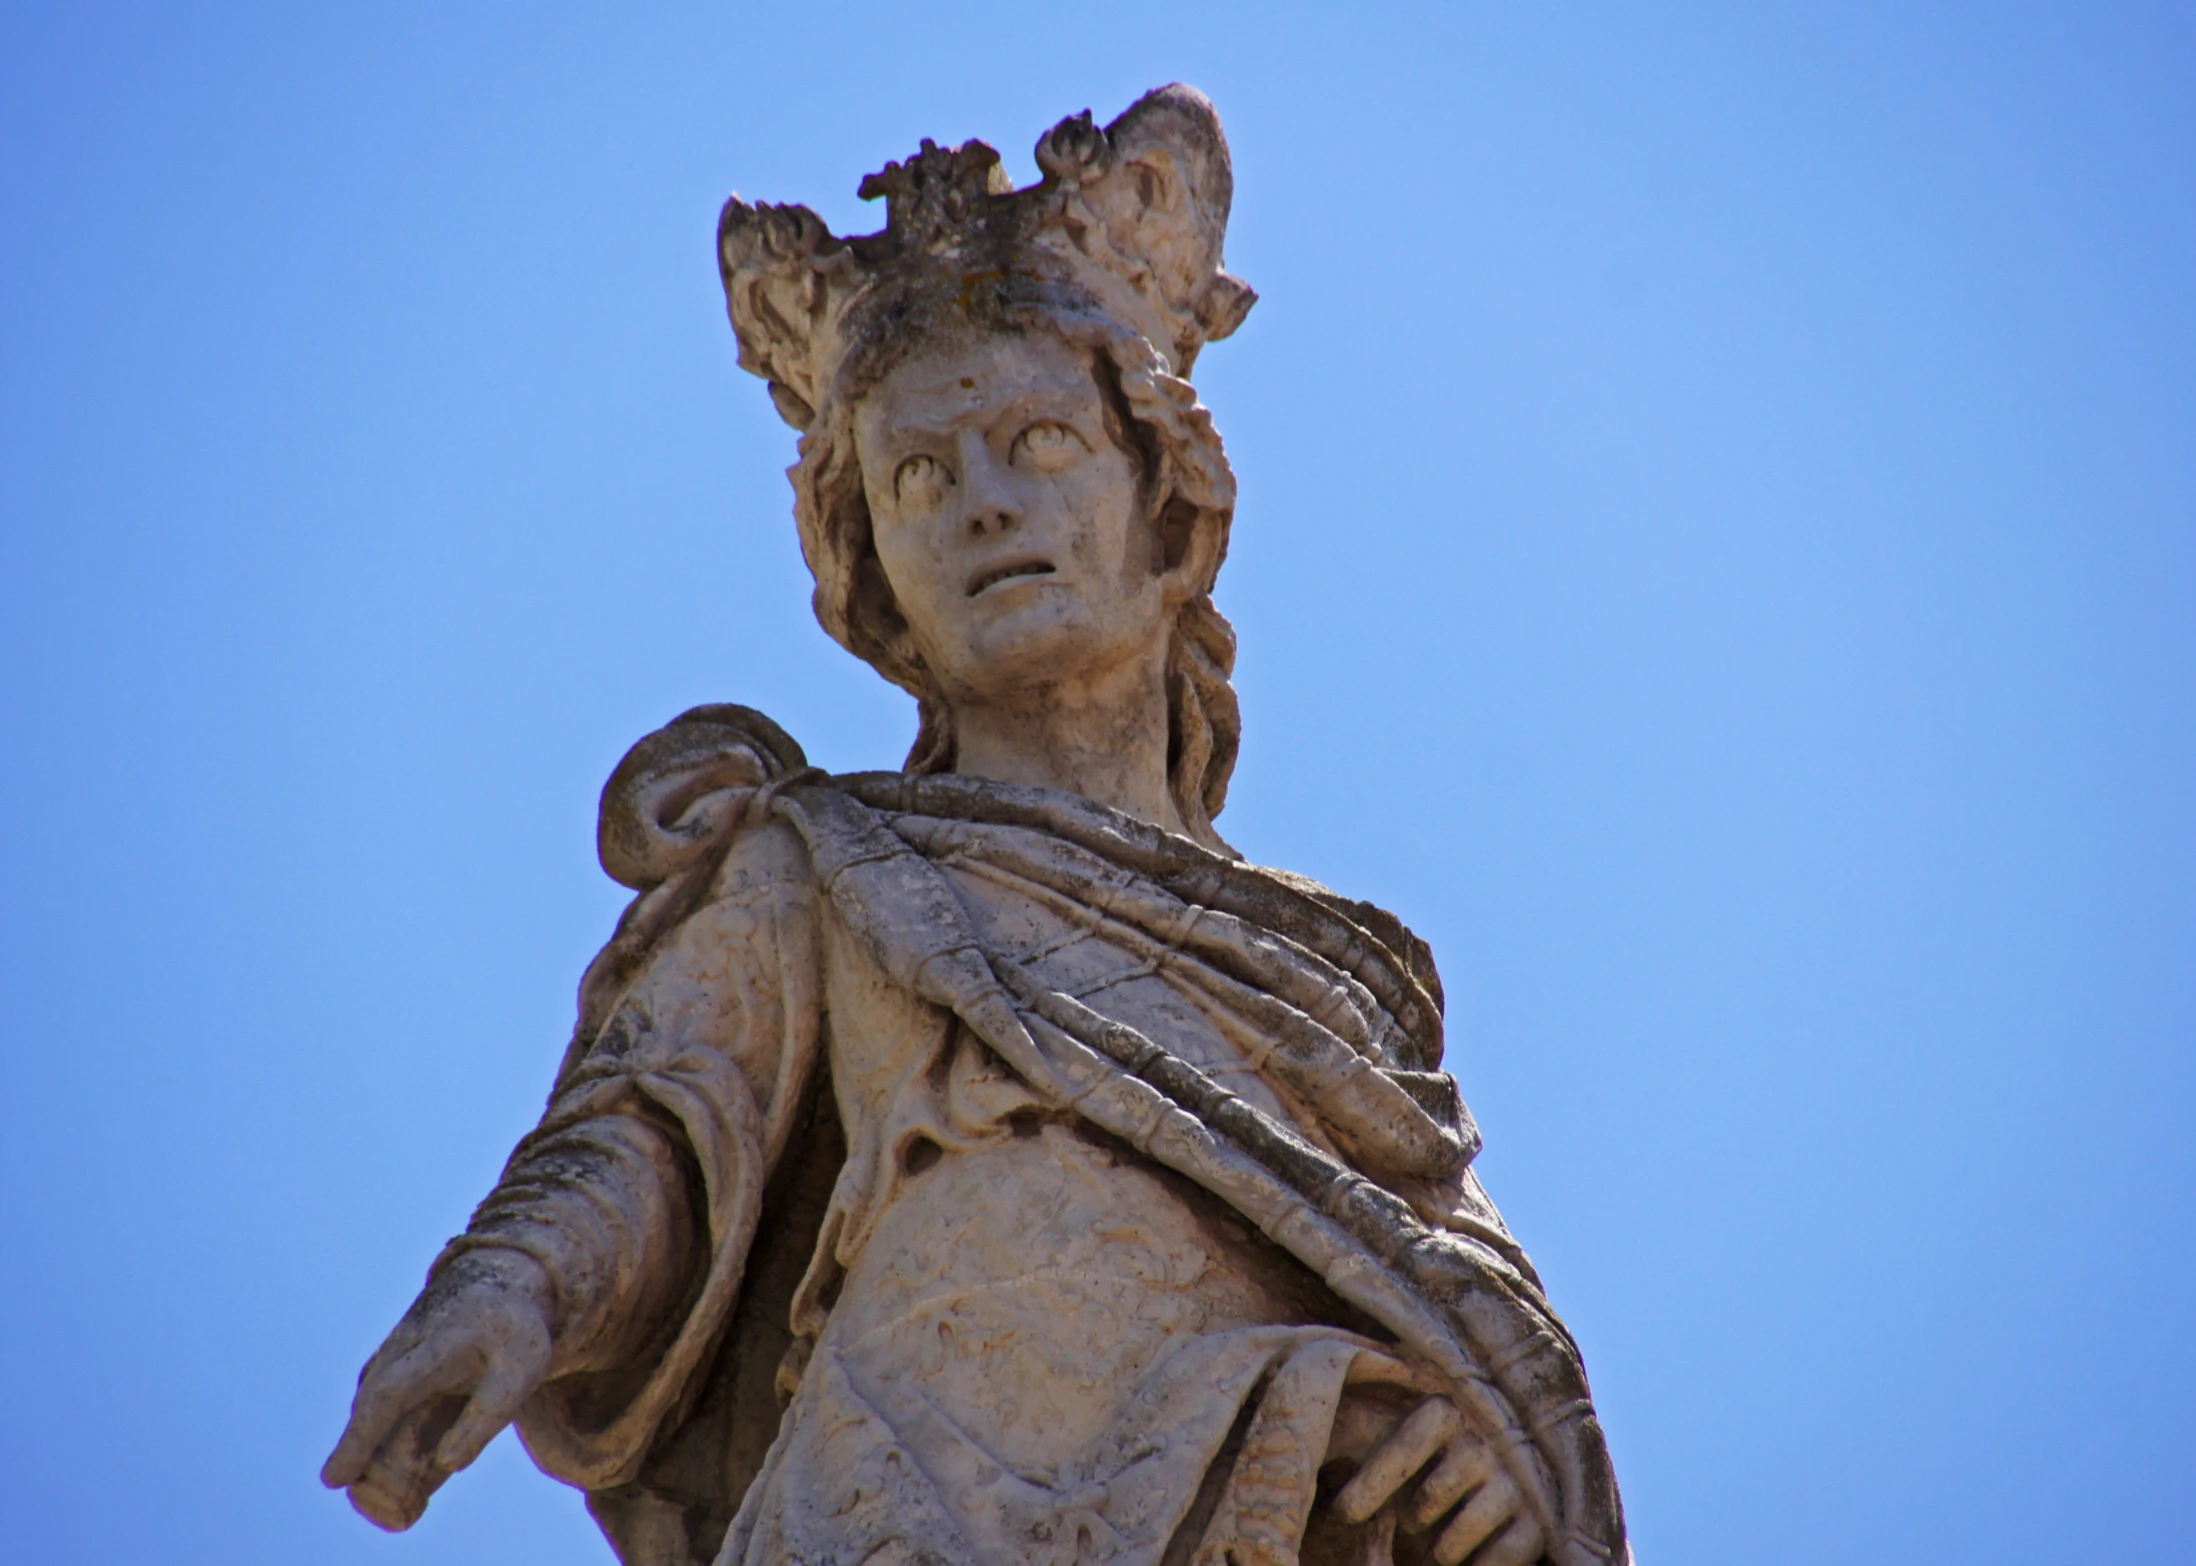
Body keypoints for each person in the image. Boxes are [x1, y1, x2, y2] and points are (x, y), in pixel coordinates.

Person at [323, 85, 1629, 1566]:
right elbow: (652, 1128)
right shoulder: (823, 862)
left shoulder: (1332, 969)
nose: (984, 507)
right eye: (920, 477)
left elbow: (1465, 1307)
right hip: (892, 1504)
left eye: (1042, 443)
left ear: (1170, 508)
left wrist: (1486, 1451)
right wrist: (499, 1292)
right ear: (869, 565)